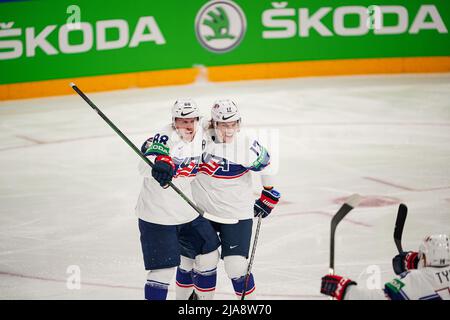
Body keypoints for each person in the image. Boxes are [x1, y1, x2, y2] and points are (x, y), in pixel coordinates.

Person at [190, 99, 281, 299]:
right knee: (205, 262)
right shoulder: (198, 138)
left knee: (236, 267)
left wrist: (269, 192)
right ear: (214, 123)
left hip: (236, 213)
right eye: (224, 125)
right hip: (203, 212)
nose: (229, 130)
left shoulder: (245, 146)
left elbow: (267, 164)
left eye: (233, 124)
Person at [136, 99, 221, 300]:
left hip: (187, 212)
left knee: (209, 254)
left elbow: (222, 128)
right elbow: (145, 163)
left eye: (192, 120)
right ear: (174, 121)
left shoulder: (202, 135)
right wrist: (158, 167)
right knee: (162, 271)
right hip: (158, 216)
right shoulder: (165, 137)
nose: (188, 126)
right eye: (183, 121)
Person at [320, 234, 450, 300]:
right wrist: (416, 262)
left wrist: (345, 290)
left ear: (425, 257)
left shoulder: (416, 279)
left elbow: (377, 298)